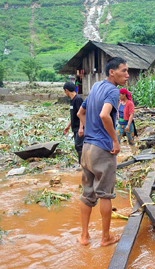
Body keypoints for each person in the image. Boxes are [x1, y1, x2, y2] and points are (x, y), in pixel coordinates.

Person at [76, 57, 129, 247]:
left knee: (87, 194)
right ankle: (105, 237)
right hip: (102, 149)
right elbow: (104, 115)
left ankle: (84, 237)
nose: (127, 75)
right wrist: (115, 140)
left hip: (87, 148)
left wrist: (85, 128)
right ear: (112, 72)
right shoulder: (113, 92)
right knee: (105, 194)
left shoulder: (96, 87)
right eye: (124, 71)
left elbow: (80, 113)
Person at [62, 82, 84, 166]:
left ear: (66, 90)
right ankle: (82, 164)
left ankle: (82, 165)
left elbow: (82, 114)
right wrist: (68, 126)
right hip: (75, 127)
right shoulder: (72, 100)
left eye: (64, 91)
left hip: (79, 127)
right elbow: (74, 115)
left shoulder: (78, 99)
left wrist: (81, 128)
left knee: (79, 146)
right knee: (78, 146)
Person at [116, 88, 137, 154]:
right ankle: (117, 153)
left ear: (124, 95)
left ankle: (134, 153)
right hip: (120, 123)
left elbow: (131, 115)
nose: (119, 96)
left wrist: (128, 125)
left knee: (131, 139)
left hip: (127, 124)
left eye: (120, 95)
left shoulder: (129, 103)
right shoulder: (120, 103)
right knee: (117, 138)